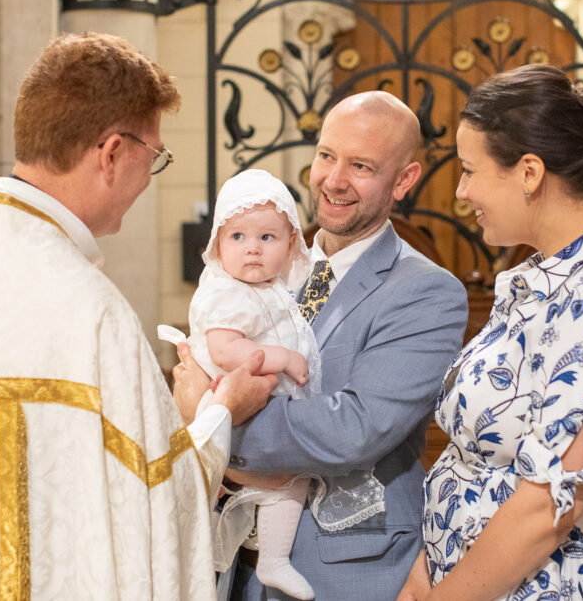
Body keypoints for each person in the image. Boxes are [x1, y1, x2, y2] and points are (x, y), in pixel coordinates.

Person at [0, 32, 277, 600]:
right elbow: (161, 499)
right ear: (111, 154)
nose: (148, 177)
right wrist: (223, 410)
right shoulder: (89, 308)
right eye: (154, 157)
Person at [175, 90, 468, 600]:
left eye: (361, 166)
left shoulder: (426, 291)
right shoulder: (268, 265)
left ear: (404, 180)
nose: (333, 180)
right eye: (327, 156)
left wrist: (209, 421)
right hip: (236, 570)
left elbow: (351, 429)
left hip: (345, 573)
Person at [400, 64, 583, 600]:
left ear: (529, 172)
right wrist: (427, 567)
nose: (462, 190)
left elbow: (551, 503)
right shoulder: (547, 278)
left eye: (470, 170)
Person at [183, 168, 325, 600]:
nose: (253, 249)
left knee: (290, 481)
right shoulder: (226, 291)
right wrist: (284, 358)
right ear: (217, 244)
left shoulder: (272, 288)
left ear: (291, 243)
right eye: (238, 237)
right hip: (226, 404)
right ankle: (270, 558)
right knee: (285, 479)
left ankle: (272, 559)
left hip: (254, 407)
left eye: (267, 237)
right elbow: (225, 349)